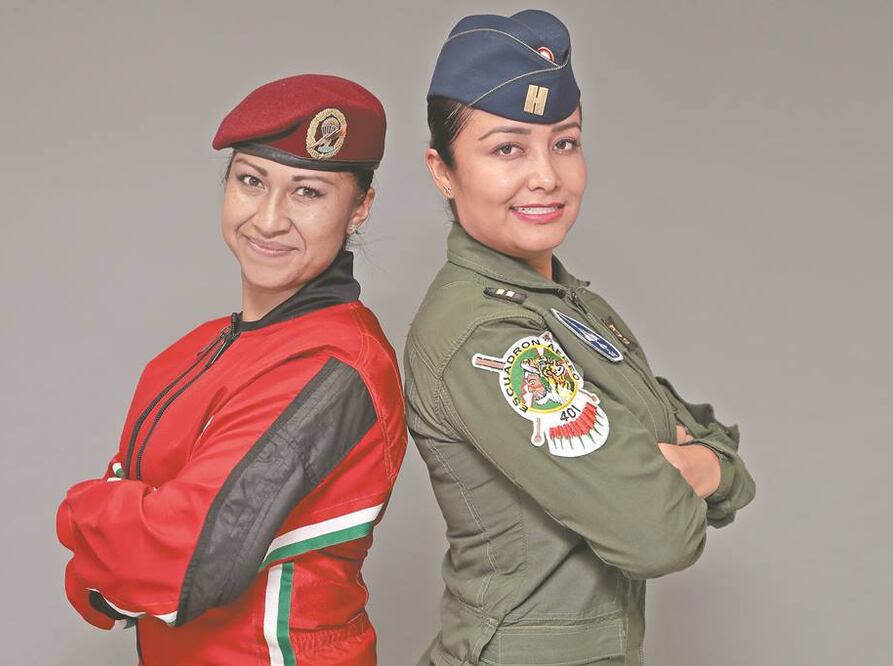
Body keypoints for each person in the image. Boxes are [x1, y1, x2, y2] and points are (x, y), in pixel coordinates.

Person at [404, 10, 756, 665]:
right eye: (507, 148)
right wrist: (692, 469)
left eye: (563, 142)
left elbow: (706, 436)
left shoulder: (568, 304)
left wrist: (706, 465)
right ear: (443, 170)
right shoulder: (491, 334)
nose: (546, 176)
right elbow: (657, 533)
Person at [56, 74, 406, 666]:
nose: (268, 220)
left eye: (308, 192)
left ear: (360, 208)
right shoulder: (187, 353)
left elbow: (181, 561)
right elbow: (124, 567)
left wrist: (80, 508)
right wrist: (124, 541)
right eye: (251, 181)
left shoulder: (334, 365)